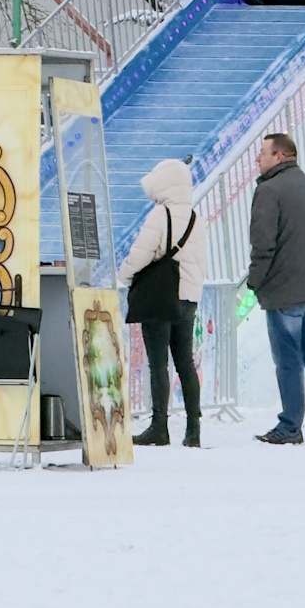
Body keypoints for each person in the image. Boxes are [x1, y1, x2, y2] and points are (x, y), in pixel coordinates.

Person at [245, 132, 305, 445]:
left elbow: (263, 243)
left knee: (288, 361)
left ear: (280, 156)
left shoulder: (270, 191)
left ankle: (290, 426)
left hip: (284, 290)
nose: (257, 159)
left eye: (262, 153)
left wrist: (255, 280)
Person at [116, 159, 207, 448]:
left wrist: (125, 274)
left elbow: (142, 253)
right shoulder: (196, 218)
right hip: (188, 297)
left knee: (158, 364)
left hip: (161, 296)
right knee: (185, 362)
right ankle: (193, 429)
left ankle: (159, 426)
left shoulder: (160, 215)